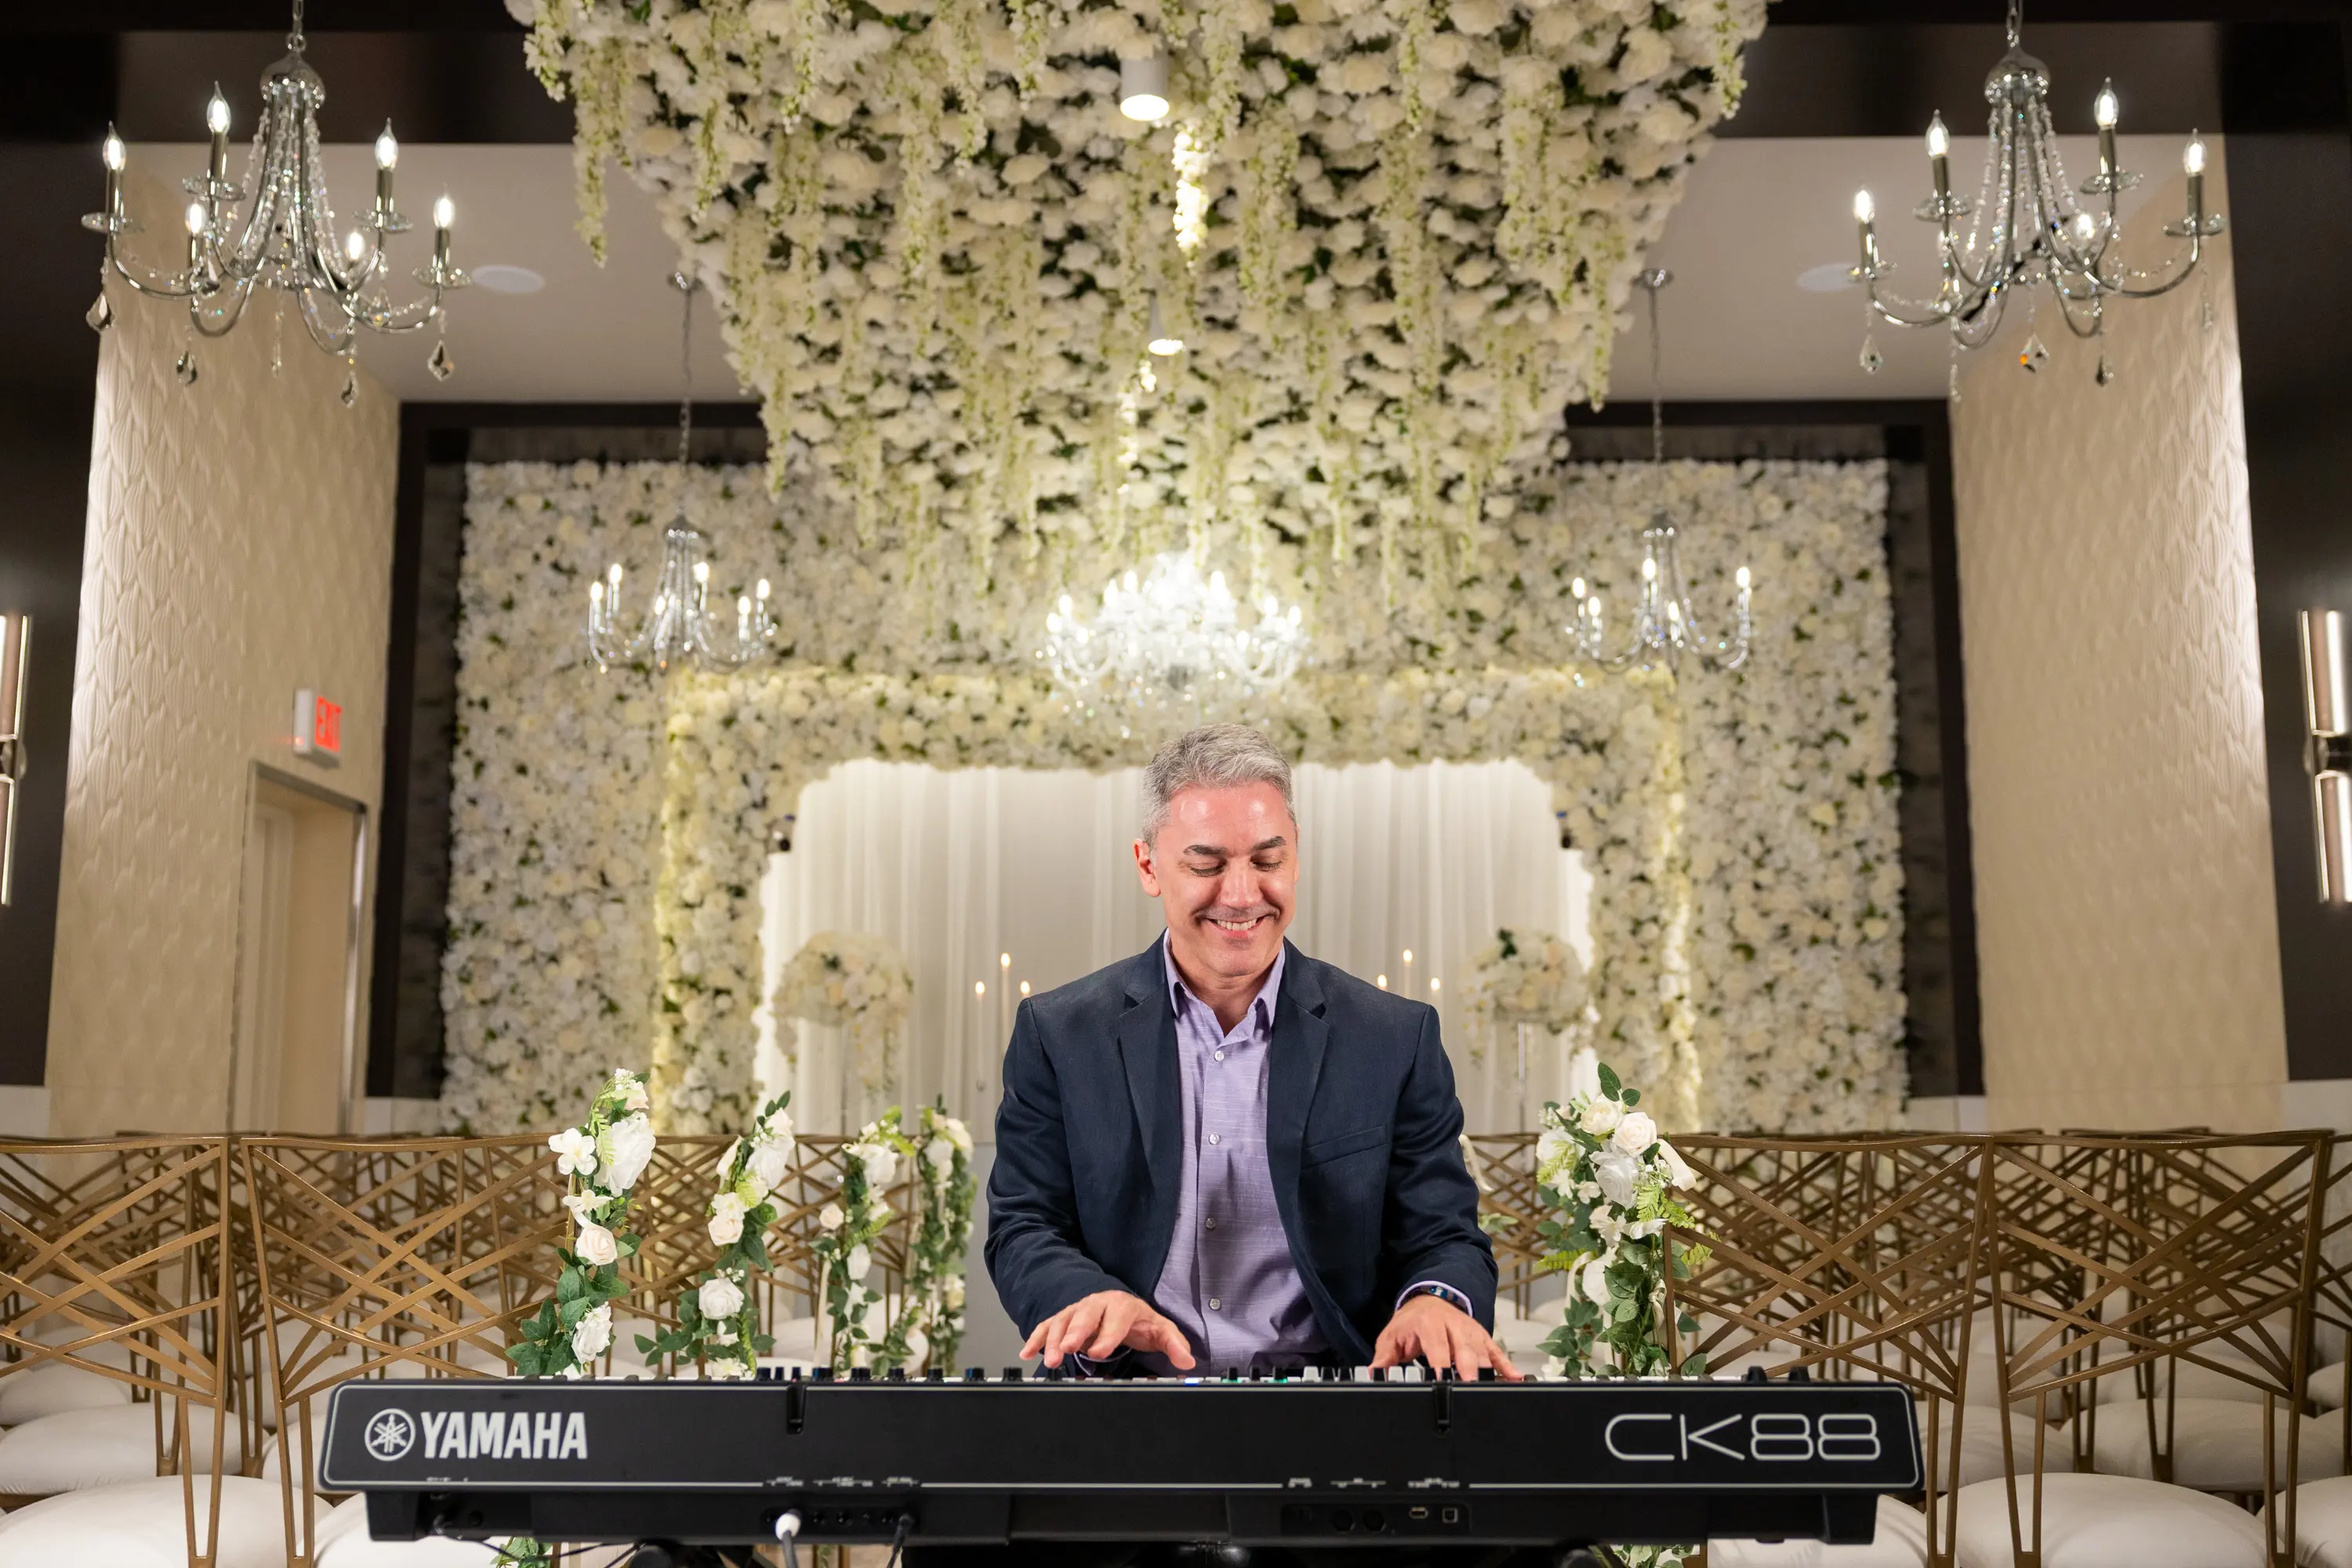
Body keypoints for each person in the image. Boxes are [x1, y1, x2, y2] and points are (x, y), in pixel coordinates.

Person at [985, 724, 1518, 1379]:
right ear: (1149, 865)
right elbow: (1024, 1225)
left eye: (1268, 862)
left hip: (1330, 1413)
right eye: (1207, 865)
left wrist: (1436, 1300)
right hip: (1119, 1404)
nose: (1242, 895)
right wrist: (1087, 1298)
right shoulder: (1058, 1033)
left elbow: (1443, 1235)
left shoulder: (1392, 1037)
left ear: (1295, 858)